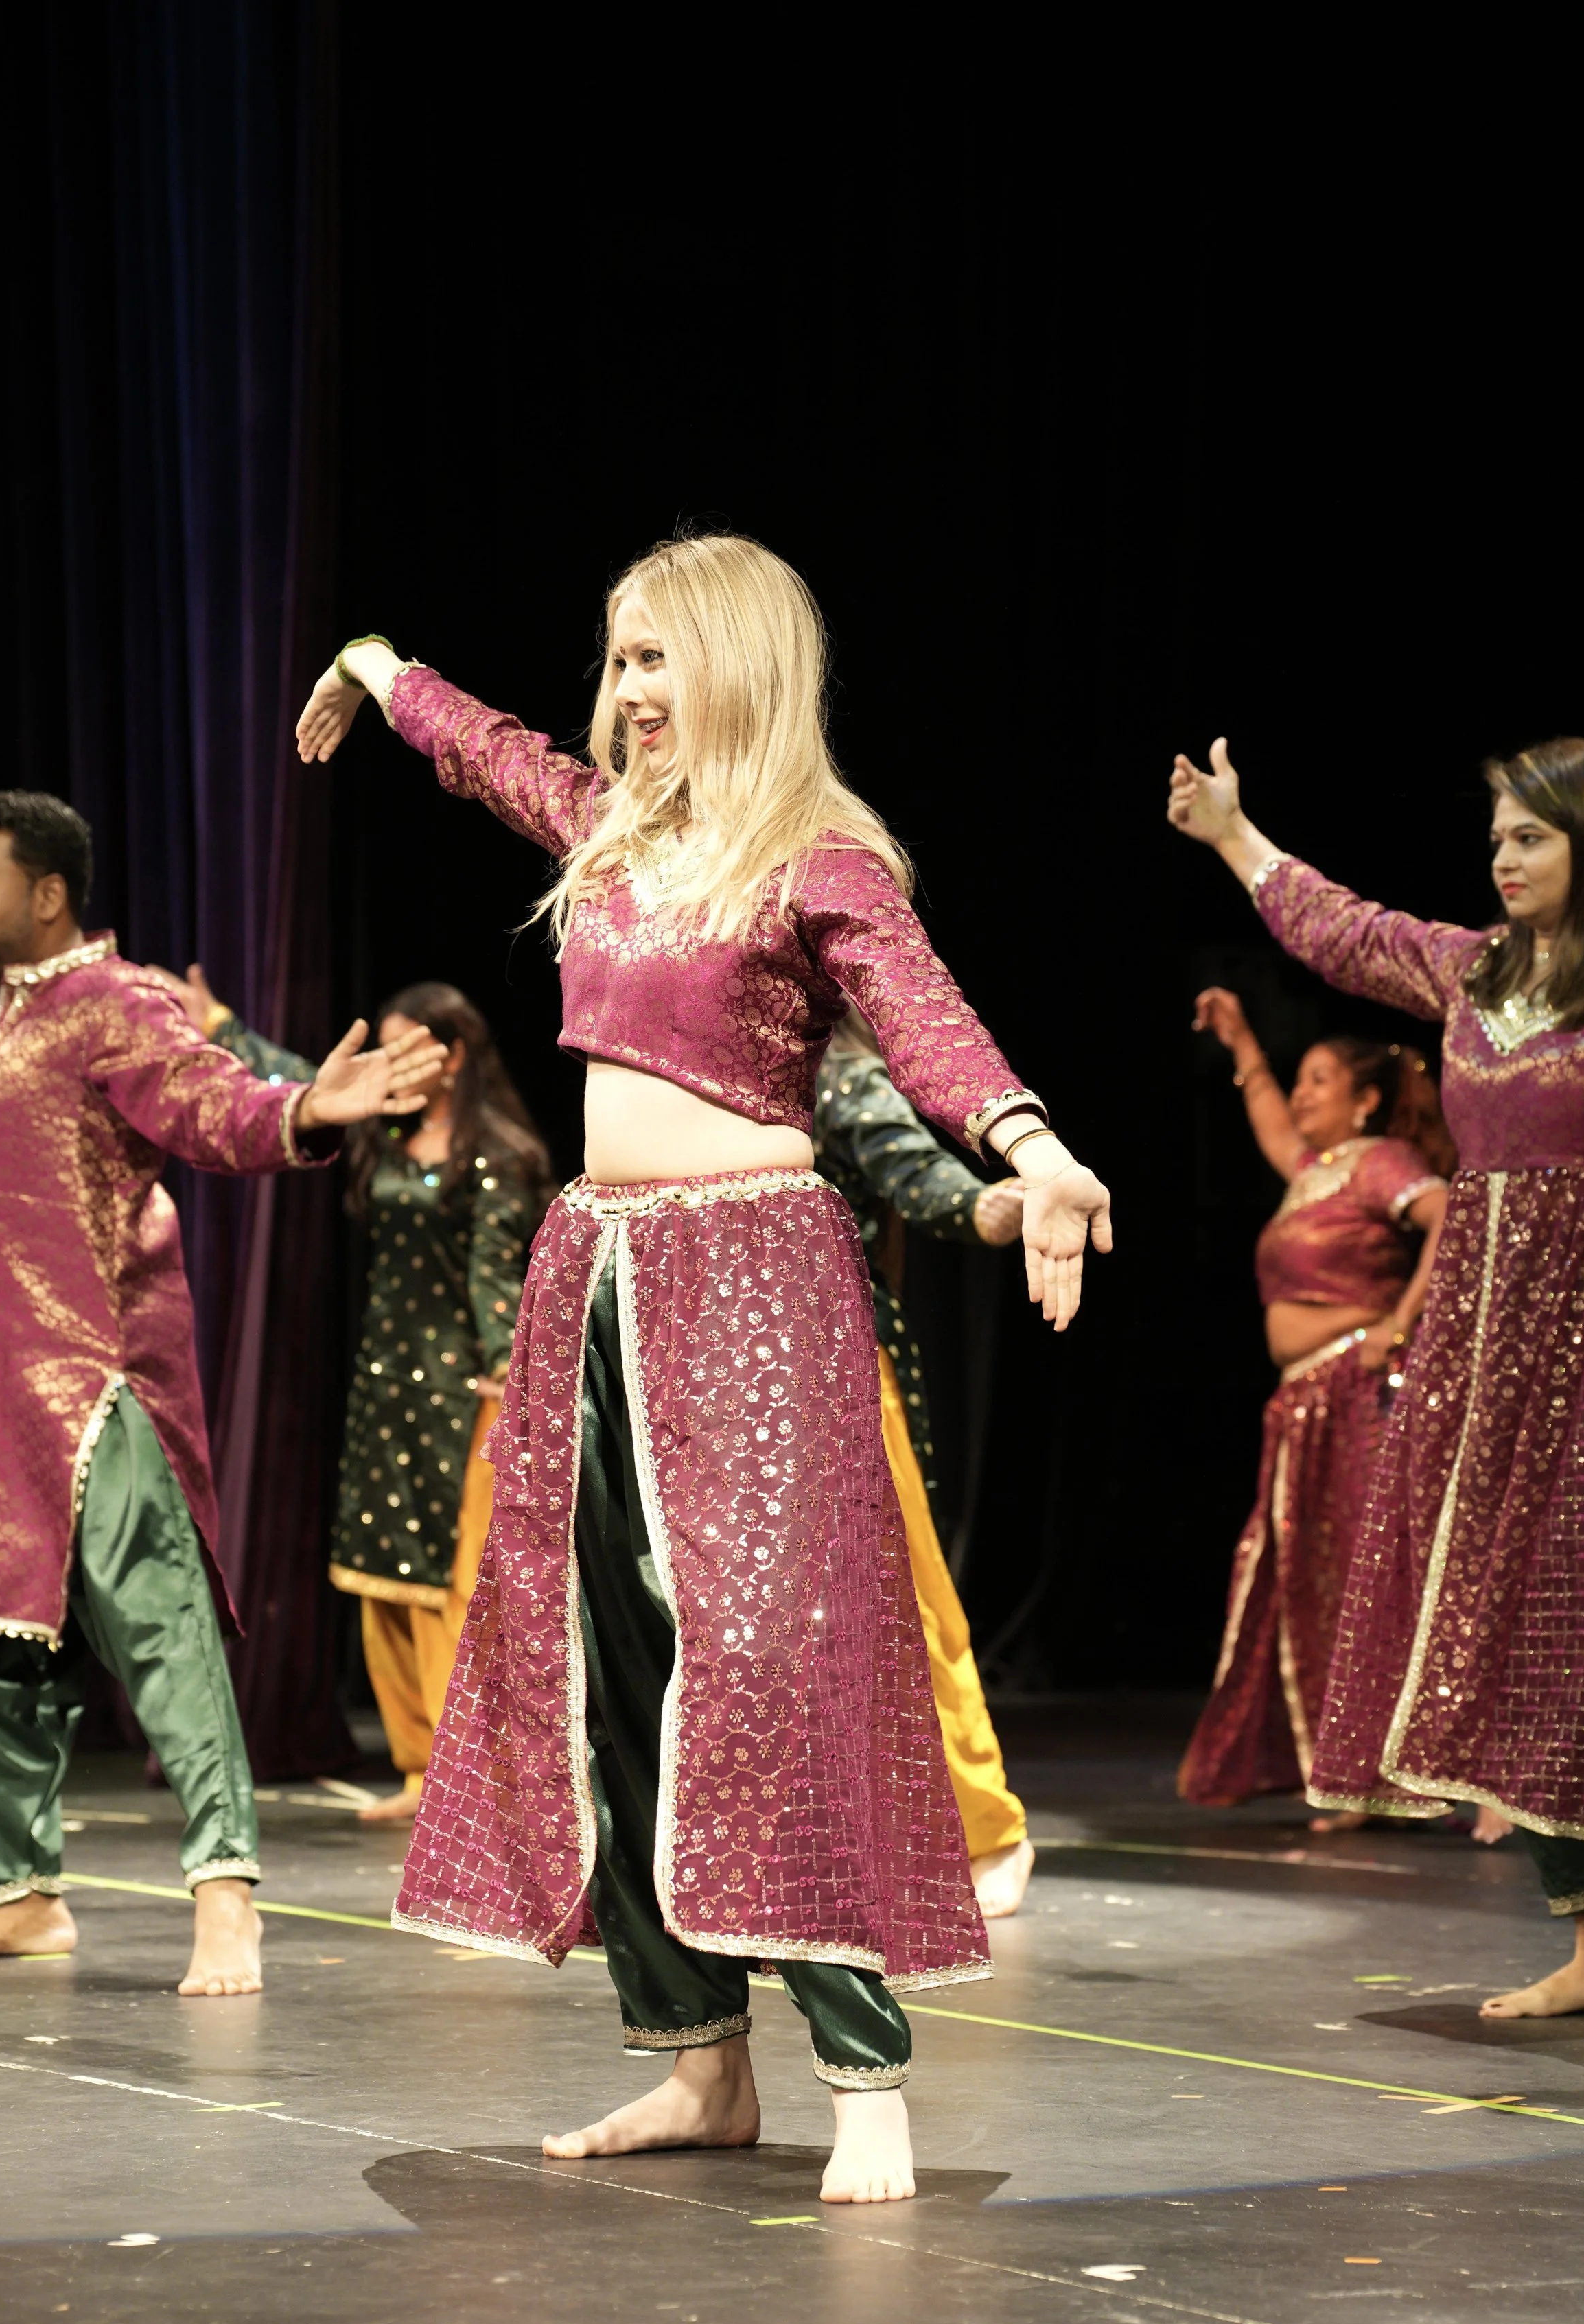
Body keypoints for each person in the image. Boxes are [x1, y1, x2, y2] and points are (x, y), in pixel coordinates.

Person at [297, 537, 1112, 2199]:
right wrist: (376, 668)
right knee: (612, 1665)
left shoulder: (817, 859)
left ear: (740, 664)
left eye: (659, 657)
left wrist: (1032, 1149)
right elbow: (488, 750)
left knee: (765, 1666)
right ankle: (699, 2063)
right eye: (618, 660)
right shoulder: (606, 834)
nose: (630, 690)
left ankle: (864, 2071)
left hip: (751, 1278)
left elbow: (922, 1015)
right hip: (596, 1274)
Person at [1168, 735, 1584, 2034]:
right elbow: (1342, 930)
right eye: (1497, 836)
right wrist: (1234, 835)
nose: (1501, 858)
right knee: (1513, 1631)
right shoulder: (1474, 973)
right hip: (1486, 1351)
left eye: (1531, 837)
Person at [0, 790, 445, 1993]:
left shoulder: (112, 1001)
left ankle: (227, 1892)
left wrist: (305, 1107)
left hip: (91, 1376)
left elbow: (210, 1104)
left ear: (46, 894)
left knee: (160, 1632)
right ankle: (15, 1893)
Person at [161, 972, 551, 1824]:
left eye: (408, 1050)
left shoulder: (497, 1153)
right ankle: (418, 1768)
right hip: (387, 1386)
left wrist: (506, 1369)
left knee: (455, 1587)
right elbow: (307, 1083)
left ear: (453, 1058)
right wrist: (221, 1024)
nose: (390, 1065)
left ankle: (472, 1776)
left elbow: (496, 1272)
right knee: (383, 1578)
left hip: (464, 1395)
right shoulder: (388, 1133)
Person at [1178, 991, 1449, 1818]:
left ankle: (1392, 1778)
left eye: (1320, 1080)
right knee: (1306, 1580)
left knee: (1364, 1583)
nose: (1301, 1093)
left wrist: (1399, 1324)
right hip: (1304, 1405)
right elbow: (1270, 1121)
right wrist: (1242, 1045)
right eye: (1299, 1079)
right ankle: (1346, 1771)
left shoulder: (1378, 1161)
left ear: (1364, 1100)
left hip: (1358, 1397)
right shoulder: (1311, 1172)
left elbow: (1450, 1214)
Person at [815, 1007, 1035, 1916]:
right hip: (725, 1368)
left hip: (833, 1365)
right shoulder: (718, 1077)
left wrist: (984, 1204)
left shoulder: (834, 1073)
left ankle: (986, 1829)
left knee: (902, 1597)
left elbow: (911, 1167)